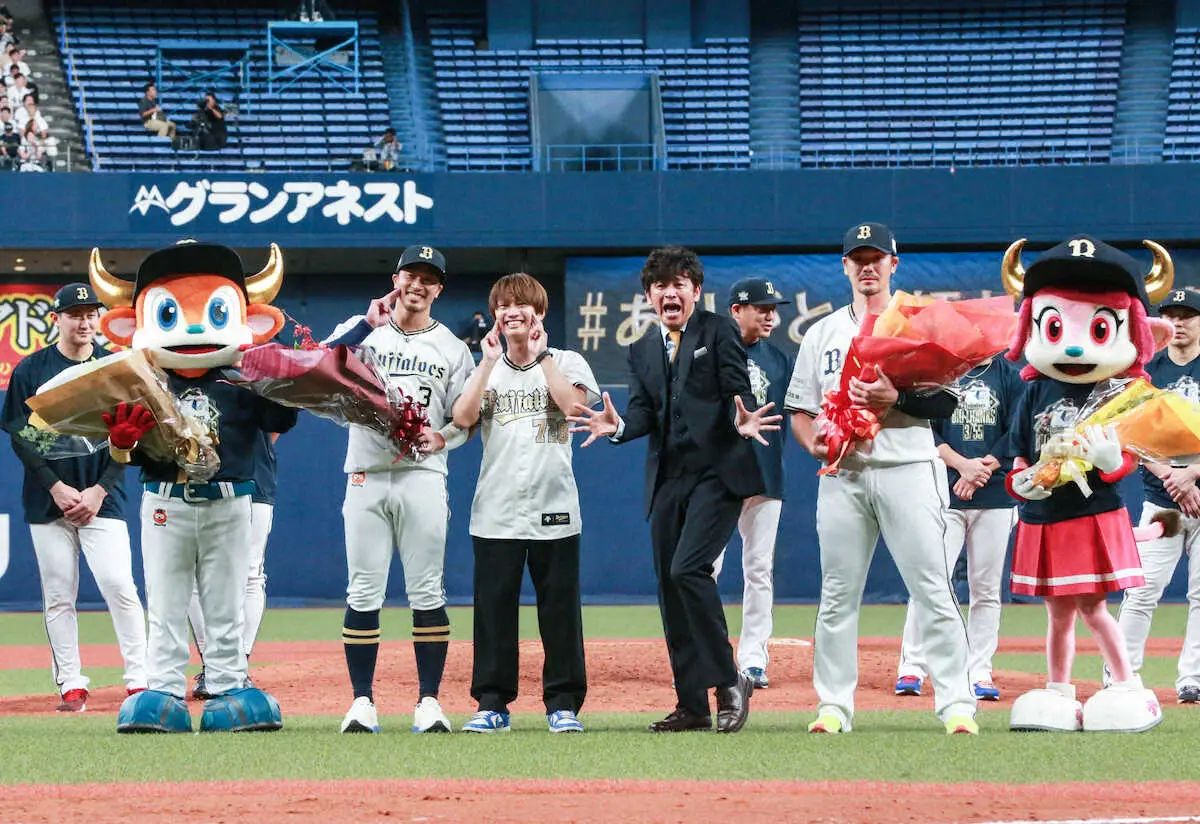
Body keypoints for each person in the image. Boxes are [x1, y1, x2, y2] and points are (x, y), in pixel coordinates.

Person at [568, 245, 779, 734]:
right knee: (669, 587)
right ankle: (692, 704)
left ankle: (729, 681)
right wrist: (618, 426)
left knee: (689, 569)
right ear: (648, 295)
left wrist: (741, 413)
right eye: (660, 285)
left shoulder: (717, 330)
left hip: (719, 475)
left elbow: (735, 384)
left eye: (680, 283)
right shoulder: (642, 348)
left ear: (695, 291)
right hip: (667, 480)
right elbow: (643, 413)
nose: (670, 292)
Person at [786, 222, 977, 735]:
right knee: (837, 594)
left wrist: (899, 400)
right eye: (857, 258)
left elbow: (947, 400)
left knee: (932, 587)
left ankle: (957, 702)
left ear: (895, 263)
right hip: (843, 475)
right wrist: (812, 445)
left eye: (877, 258)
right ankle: (833, 706)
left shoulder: (916, 321)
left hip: (910, 469)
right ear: (845, 266)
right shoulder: (823, 332)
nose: (867, 266)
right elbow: (799, 408)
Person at [323, 244, 475, 735]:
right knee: (363, 589)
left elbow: (467, 416)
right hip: (366, 473)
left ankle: (428, 702)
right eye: (411, 275)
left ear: (439, 289)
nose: (418, 285)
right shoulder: (365, 330)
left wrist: (444, 436)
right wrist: (366, 324)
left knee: (427, 589)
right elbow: (318, 365)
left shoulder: (452, 346)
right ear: (396, 278)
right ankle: (361, 702)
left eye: (429, 279)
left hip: (423, 475)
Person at [452, 273, 598, 733]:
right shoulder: (486, 365)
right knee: (493, 610)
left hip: (554, 505)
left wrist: (542, 356)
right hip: (495, 509)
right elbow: (463, 417)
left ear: (540, 312)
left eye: (522, 305)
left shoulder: (567, 360)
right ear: (495, 313)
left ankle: (563, 704)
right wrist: (486, 361)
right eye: (504, 305)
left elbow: (572, 407)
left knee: (559, 609)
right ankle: (492, 703)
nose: (512, 312)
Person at [0, 283, 148, 711]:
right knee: (59, 594)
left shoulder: (113, 367)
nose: (84, 321)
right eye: (75, 313)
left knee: (120, 586)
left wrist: (100, 489)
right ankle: (71, 684)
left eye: (90, 313)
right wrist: (56, 486)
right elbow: (21, 437)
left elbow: (132, 432)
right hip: (50, 500)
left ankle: (139, 679)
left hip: (104, 495)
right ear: (57, 319)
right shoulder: (32, 368)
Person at [894, 355, 1022, 701]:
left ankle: (979, 670)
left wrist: (982, 469)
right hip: (945, 490)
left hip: (995, 494)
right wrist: (963, 466)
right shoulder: (938, 372)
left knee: (986, 589)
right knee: (931, 581)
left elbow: (1018, 430)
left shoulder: (1006, 374)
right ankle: (912, 666)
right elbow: (926, 431)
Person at [710, 277, 793, 690]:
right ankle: (709, 652)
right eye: (762, 308)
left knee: (759, 569)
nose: (771, 316)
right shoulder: (709, 354)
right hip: (719, 478)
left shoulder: (779, 361)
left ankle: (754, 658)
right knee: (707, 567)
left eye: (773, 309)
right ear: (736, 310)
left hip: (764, 475)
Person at [1118, 288, 1200, 704]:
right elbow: (1132, 435)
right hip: (1161, 497)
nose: (1179, 322)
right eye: (1172, 315)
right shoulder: (1149, 370)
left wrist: (1194, 474)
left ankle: (1194, 679)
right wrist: (1172, 477)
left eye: (1188, 315)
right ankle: (1121, 675)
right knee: (1143, 589)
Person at [187, 429, 281, 700]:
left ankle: (236, 665)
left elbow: (276, 424)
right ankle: (215, 664)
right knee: (196, 573)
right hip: (199, 480)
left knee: (251, 572)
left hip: (253, 476)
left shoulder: (256, 385)